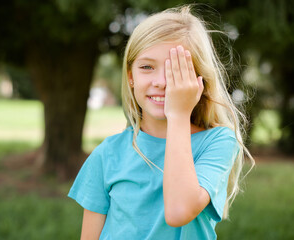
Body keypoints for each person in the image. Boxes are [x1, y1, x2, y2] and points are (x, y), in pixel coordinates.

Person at [68, 5, 254, 240]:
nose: (161, 82)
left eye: (176, 70)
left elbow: (178, 212)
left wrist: (177, 115)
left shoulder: (217, 142)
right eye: (147, 67)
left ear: (200, 79)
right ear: (130, 76)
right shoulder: (108, 153)